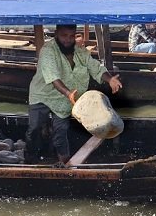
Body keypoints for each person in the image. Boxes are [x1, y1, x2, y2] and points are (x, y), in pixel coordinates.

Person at [26, 24, 122, 165]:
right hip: (43, 95)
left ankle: (64, 161)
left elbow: (94, 66)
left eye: (71, 36)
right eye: (64, 36)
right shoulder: (48, 51)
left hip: (66, 99)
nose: (68, 40)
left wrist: (110, 79)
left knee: (61, 130)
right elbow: (53, 78)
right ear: (56, 34)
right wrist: (68, 93)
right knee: (35, 128)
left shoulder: (79, 50)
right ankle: (30, 158)